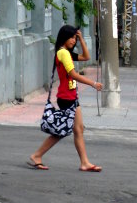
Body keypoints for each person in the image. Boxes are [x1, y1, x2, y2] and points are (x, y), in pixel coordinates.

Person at [28, 25, 103, 172]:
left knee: (78, 129)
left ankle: (84, 162)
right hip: (66, 97)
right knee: (61, 131)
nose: (73, 41)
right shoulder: (63, 53)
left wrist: (81, 39)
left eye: (75, 38)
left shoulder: (67, 53)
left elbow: (86, 57)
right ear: (64, 37)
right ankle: (37, 155)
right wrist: (93, 83)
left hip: (72, 96)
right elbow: (73, 74)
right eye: (72, 37)